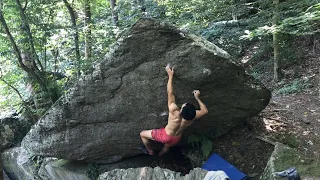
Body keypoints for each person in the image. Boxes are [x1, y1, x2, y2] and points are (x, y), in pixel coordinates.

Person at [140, 64, 208, 156]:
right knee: (167, 146)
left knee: (142, 134)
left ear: (182, 109)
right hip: (176, 138)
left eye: (185, 105)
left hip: (165, 135)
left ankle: (149, 150)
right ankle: (161, 154)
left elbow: (170, 93)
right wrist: (197, 98)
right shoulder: (192, 117)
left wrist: (170, 76)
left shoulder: (174, 112)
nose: (184, 103)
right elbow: (204, 111)